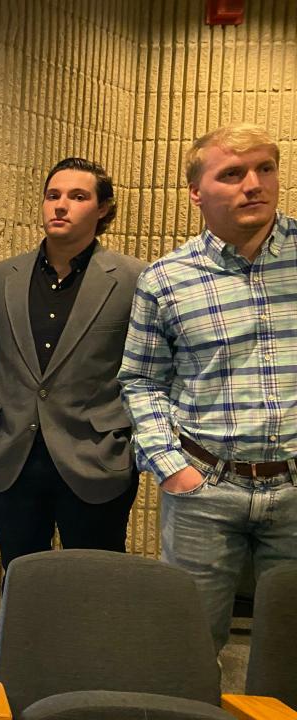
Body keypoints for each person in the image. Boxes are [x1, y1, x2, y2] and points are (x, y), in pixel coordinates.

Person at [118, 123, 297, 653]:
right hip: (205, 491)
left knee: (290, 650)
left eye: (266, 168)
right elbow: (142, 380)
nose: (254, 184)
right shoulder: (166, 279)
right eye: (233, 173)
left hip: (295, 486)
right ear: (197, 191)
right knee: (187, 646)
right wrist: (172, 470)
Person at [0, 157, 146, 573]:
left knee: (96, 581)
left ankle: (90, 643)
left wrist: (128, 442)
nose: (60, 205)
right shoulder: (2, 276)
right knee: (22, 576)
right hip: (11, 457)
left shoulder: (135, 278)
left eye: (77, 196)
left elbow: (147, 371)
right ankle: (26, 643)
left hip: (96, 459)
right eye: (53, 195)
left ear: (103, 209)